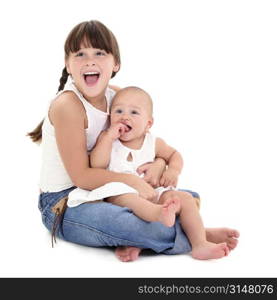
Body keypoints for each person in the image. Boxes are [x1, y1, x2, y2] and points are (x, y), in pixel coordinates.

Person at [28, 20, 239, 262]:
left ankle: (183, 229)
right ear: (68, 64)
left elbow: (146, 140)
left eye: (99, 52)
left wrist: (159, 164)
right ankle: (196, 233)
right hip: (65, 203)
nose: (89, 61)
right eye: (80, 54)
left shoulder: (117, 97)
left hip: (109, 190)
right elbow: (81, 178)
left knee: (181, 197)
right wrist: (132, 181)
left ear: (115, 63)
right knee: (153, 221)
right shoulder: (68, 106)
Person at [68, 86, 237, 260]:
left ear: (148, 123)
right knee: (131, 200)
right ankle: (158, 215)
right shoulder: (108, 139)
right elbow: (97, 164)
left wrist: (173, 170)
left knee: (185, 199)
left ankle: (200, 243)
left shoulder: (152, 142)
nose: (125, 116)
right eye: (118, 111)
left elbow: (174, 155)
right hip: (121, 193)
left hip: (151, 190)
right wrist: (108, 137)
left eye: (134, 112)